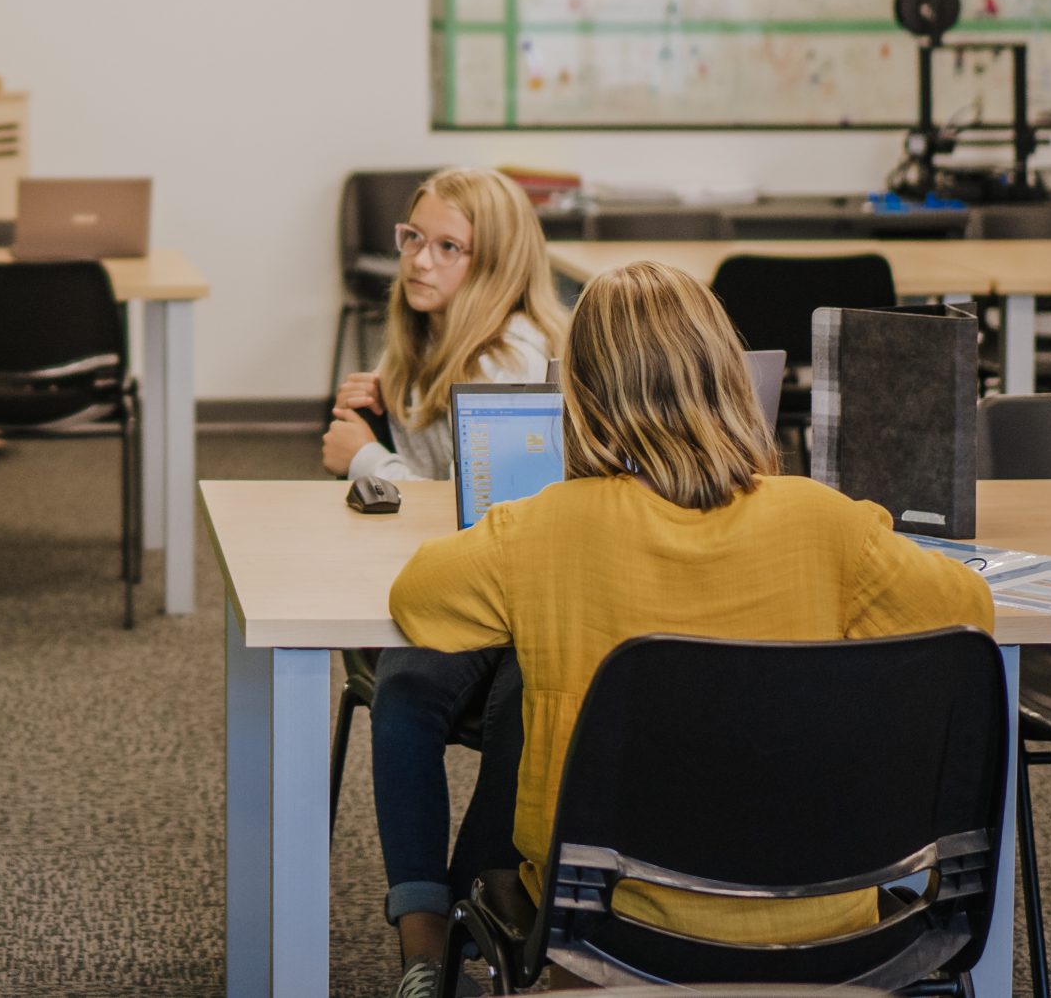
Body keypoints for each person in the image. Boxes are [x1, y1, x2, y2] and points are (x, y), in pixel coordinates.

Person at [392, 260, 993, 948]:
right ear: (729, 379)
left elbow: (416, 596)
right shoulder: (830, 524)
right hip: (827, 926)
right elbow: (970, 610)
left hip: (602, 926)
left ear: (580, 396)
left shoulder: (539, 528)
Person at [319, 166, 567, 998]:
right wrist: (392, 422)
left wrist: (363, 455)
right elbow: (449, 490)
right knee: (409, 680)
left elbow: (470, 508)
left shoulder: (510, 354)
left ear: (492, 263)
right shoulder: (436, 339)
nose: (420, 260)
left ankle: (460, 923)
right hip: (482, 583)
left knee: (518, 699)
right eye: (412, 237)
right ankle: (427, 942)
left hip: (527, 591)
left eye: (447, 246)